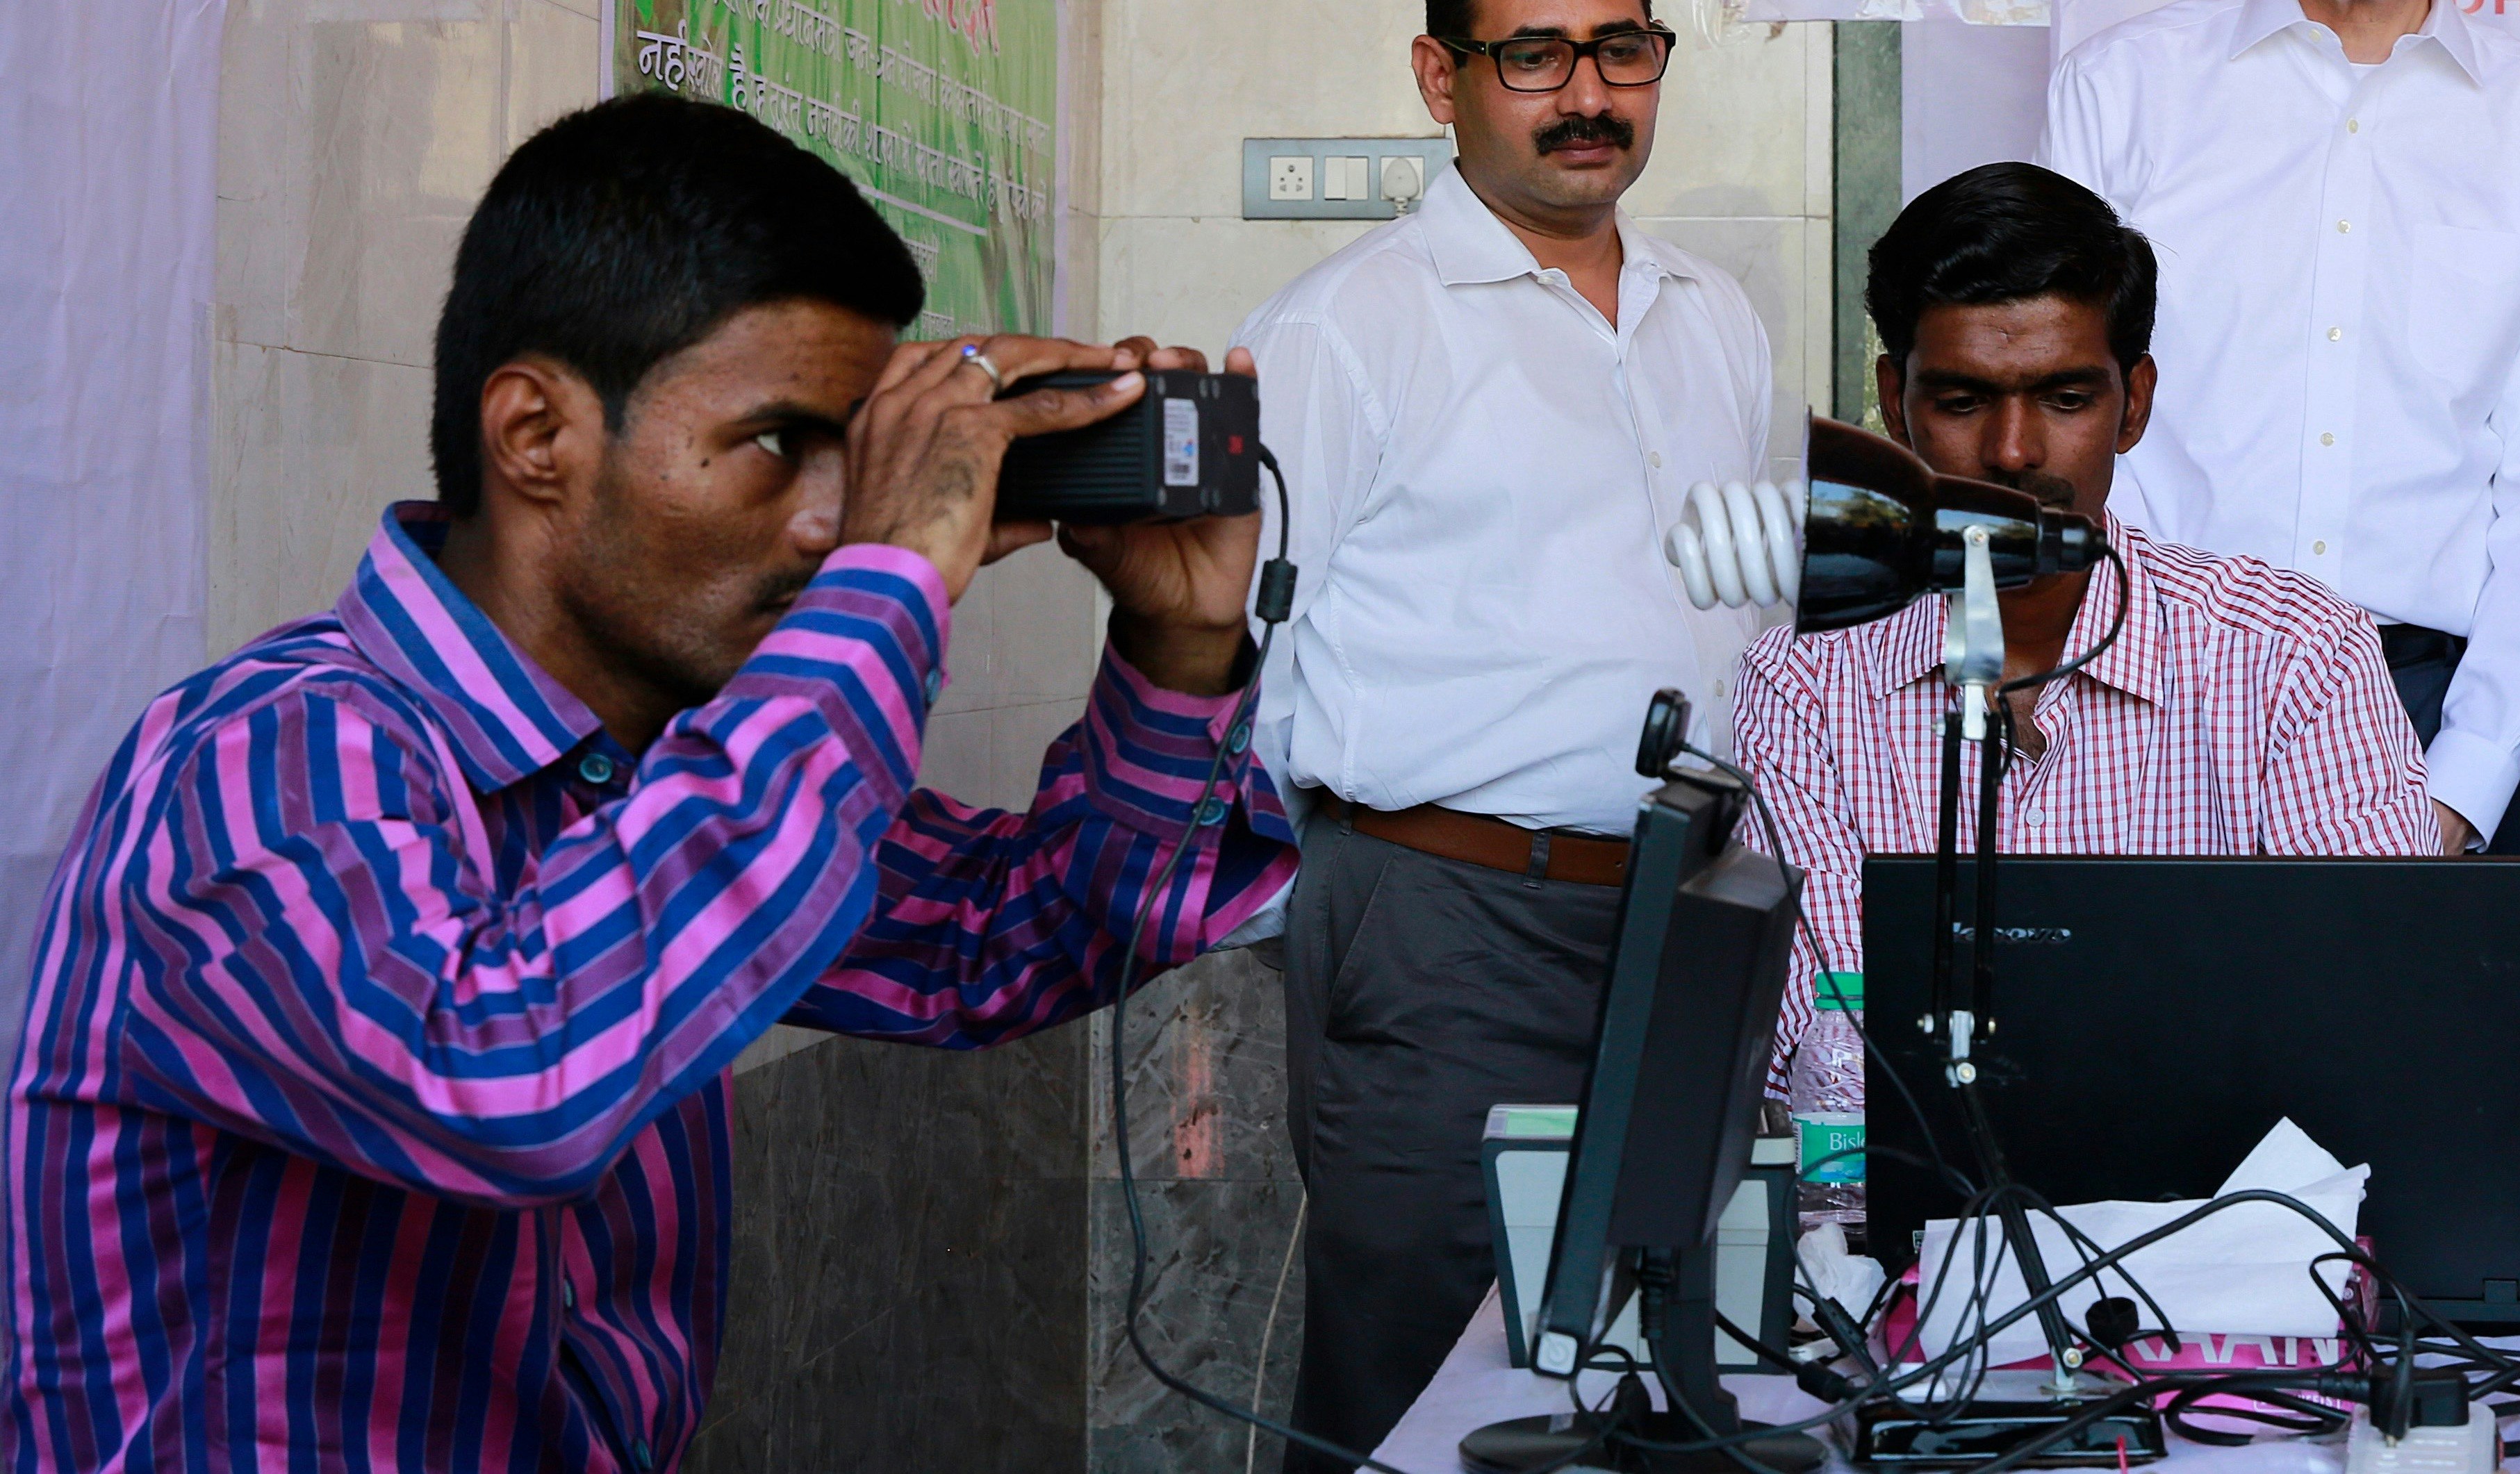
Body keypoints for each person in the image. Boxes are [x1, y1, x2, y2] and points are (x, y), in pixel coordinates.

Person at [0, 94, 1293, 1473]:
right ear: (535, 432)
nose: (823, 519)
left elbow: (1003, 941)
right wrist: (890, 578)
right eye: (777, 443)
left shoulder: (653, 772)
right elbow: (509, 1078)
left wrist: (1175, 639)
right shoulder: (264, 752)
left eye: (855, 460)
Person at [1232, 0, 1774, 1464]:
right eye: (1531, 54)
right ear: (1438, 77)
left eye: (1620, 48)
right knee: (1423, 1381)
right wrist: (1359, 907)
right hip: (1445, 924)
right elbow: (1239, 657)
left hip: (1689, 925)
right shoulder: (1344, 326)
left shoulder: (1708, 311)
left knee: (1663, 1371)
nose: (1583, 93)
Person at [1723, 163, 2439, 1020]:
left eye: (2064, 399)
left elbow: (2371, 999)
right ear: (1893, 401)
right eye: (1960, 399)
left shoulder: (2293, 656)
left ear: (2132, 404)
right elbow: (1830, 1040)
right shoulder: (1804, 681)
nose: (2013, 452)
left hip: (2225, 1161)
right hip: (1917, 1159)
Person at [2039, 0, 2520, 856]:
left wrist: (2467, 777)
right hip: (2151, 696)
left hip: (2423, 710)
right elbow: (2050, 403)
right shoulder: (2120, 86)